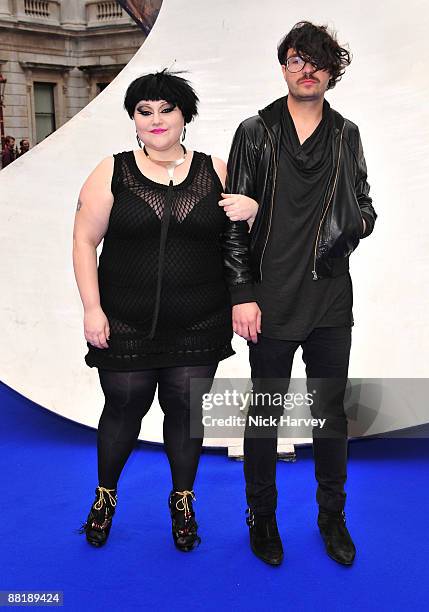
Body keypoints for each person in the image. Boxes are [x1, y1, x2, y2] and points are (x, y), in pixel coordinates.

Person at [72, 70, 254, 550]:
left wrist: (255, 209)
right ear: (133, 118)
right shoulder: (111, 170)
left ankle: (183, 499)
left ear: (184, 115)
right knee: (123, 409)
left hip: (201, 320)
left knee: (184, 411)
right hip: (125, 321)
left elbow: (240, 237)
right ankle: (105, 496)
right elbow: (84, 241)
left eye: (166, 109)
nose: (156, 120)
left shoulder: (216, 170)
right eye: (144, 111)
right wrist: (93, 309)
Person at [223, 21, 377, 566]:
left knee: (330, 412)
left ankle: (332, 518)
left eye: (318, 61)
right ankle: (261, 518)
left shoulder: (346, 134)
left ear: (332, 72)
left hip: (331, 295)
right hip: (269, 294)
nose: (306, 69)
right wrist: (241, 293)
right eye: (296, 58)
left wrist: (349, 226)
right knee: (265, 414)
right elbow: (233, 223)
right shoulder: (254, 131)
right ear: (283, 65)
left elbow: (365, 206)